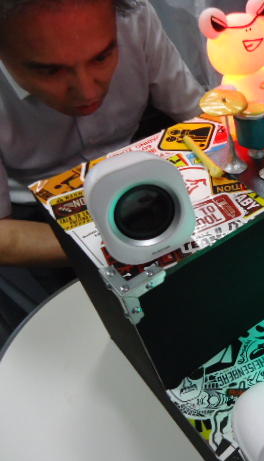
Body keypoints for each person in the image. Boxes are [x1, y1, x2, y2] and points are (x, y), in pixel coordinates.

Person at [0, 0, 205, 334]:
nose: (87, 91)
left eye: (102, 57)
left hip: (141, 177)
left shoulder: (135, 15)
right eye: (50, 71)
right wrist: (113, 244)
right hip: (39, 222)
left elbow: (197, 116)